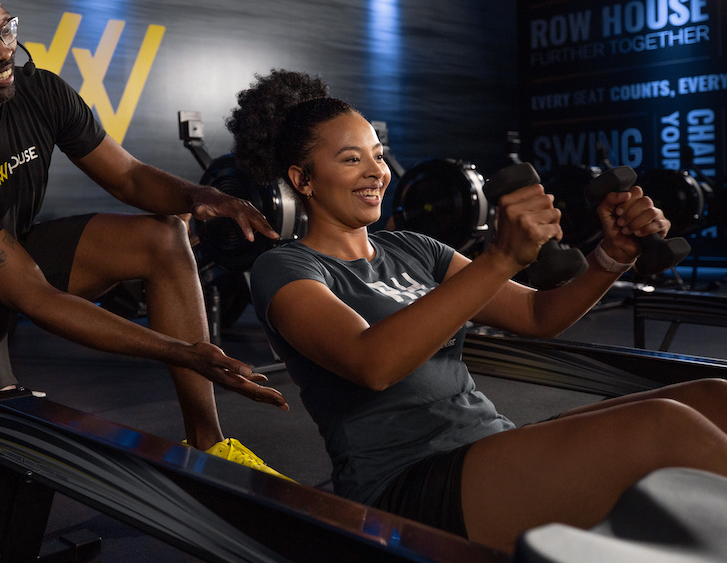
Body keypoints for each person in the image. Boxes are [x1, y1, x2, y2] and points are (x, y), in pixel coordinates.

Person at [230, 69, 727, 554]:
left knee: (713, 397)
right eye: (350, 159)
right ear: (304, 179)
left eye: (378, 156)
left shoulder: (414, 249)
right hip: (406, 485)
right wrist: (501, 257)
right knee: (665, 427)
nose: (375, 172)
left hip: (488, 444)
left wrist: (611, 257)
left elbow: (536, 314)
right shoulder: (287, 267)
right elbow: (372, 364)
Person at [0, 0, 289, 491]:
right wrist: (181, 350)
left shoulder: (41, 92)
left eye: (5, 29)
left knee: (164, 236)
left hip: (16, 253)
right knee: (0, 482)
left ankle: (211, 447)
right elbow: (35, 298)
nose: (4, 51)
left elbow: (127, 176)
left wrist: (201, 196)